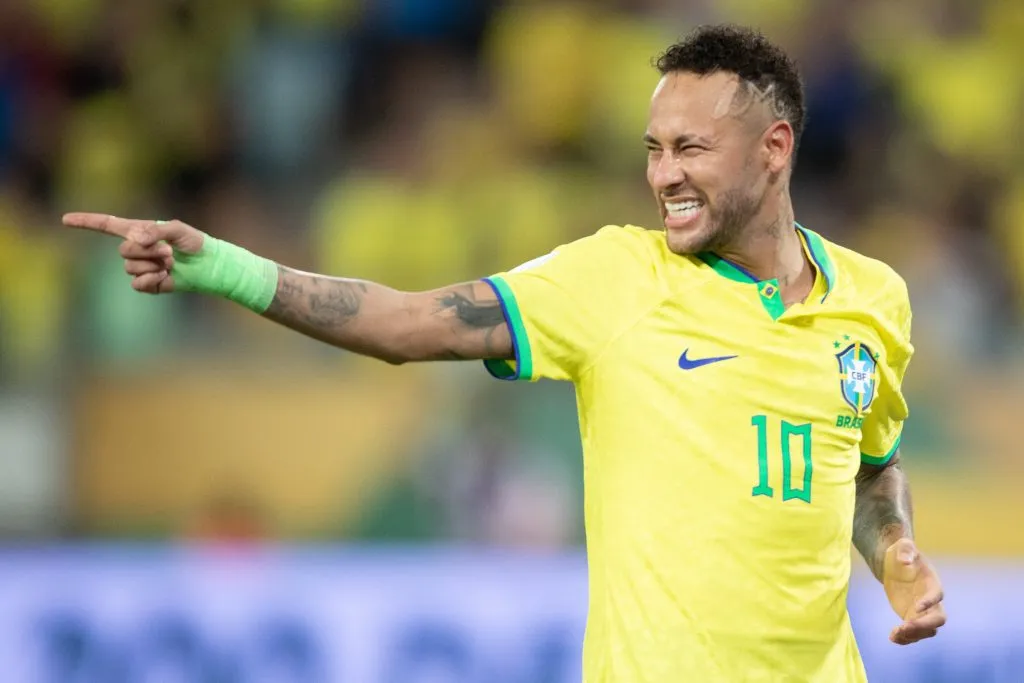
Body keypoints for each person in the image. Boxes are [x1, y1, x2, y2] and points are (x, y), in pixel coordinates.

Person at [64, 24, 945, 683]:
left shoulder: (875, 300)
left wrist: (896, 551)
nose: (663, 174)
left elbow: (872, 465)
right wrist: (225, 267)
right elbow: (404, 323)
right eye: (653, 150)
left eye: (690, 149)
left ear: (774, 149)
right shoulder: (614, 279)